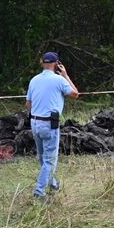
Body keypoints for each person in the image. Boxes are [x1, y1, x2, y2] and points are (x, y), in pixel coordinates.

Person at [26, 52, 79, 201]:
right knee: (49, 160)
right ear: (56, 64)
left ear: (42, 63)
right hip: (50, 124)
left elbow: (28, 104)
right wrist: (65, 75)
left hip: (35, 122)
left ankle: (53, 184)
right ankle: (40, 191)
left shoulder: (34, 80)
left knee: (43, 157)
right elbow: (75, 94)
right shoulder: (59, 80)